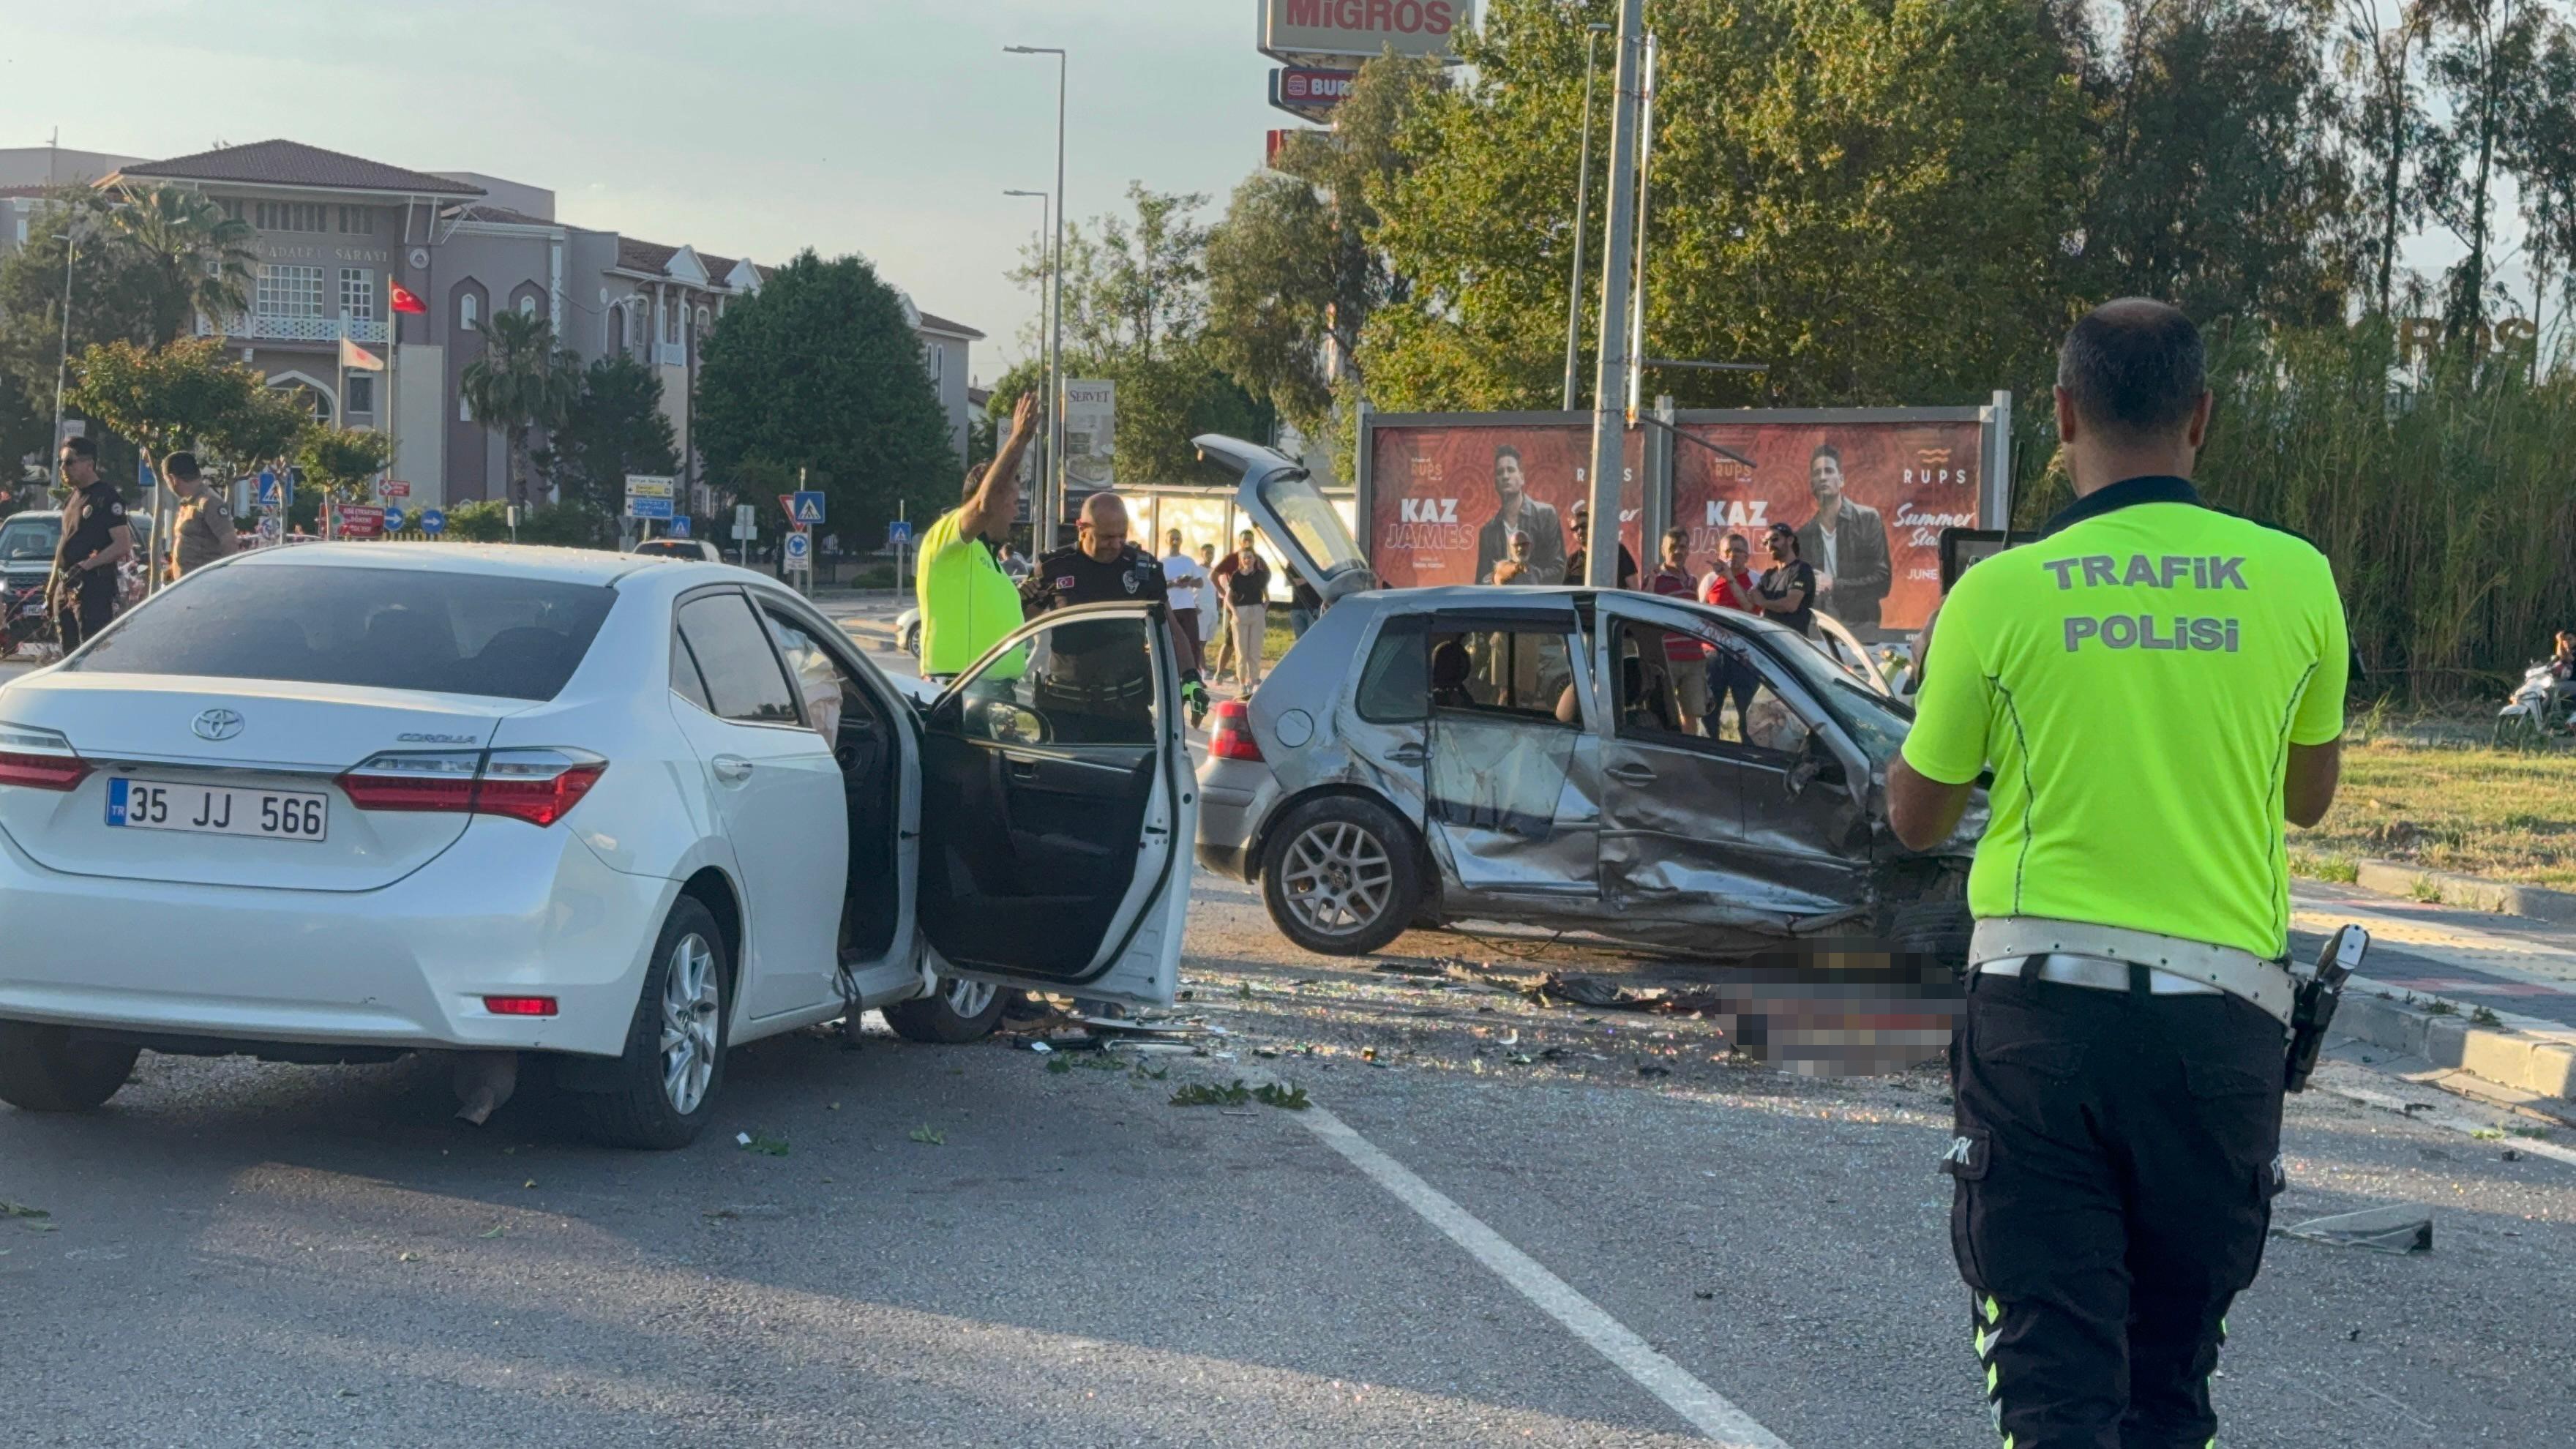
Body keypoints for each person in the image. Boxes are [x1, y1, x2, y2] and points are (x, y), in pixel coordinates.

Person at [1887, 299, 2350, 1449]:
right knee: (2168, 1393)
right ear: (2202, 418)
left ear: (2060, 415)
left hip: (2042, 1027)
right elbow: (2308, 797)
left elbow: (1912, 817)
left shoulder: (2000, 593)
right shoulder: (2297, 581)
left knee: (2054, 1394)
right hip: (2221, 1038)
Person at [1022, 492, 1208, 727]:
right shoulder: (1055, 566)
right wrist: (1023, 599)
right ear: (1082, 529)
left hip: (1127, 708)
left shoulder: (1143, 567)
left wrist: (1191, 679)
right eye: (1107, 537)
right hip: (1066, 709)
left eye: (1123, 536)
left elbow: (1170, 628)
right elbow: (1025, 621)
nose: (1117, 544)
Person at [916, 394, 1041, 680]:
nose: (1016, 512)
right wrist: (1018, 439)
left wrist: (1026, 602)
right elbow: (985, 504)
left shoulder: (989, 558)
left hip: (987, 692)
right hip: (957, 686)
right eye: (1013, 501)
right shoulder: (945, 537)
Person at [1794, 442, 1891, 630]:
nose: (1823, 477)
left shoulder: (1867, 519)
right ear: (1811, 484)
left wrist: (1834, 584)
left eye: (1829, 471)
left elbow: (1883, 581)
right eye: (1817, 473)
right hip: (1819, 628)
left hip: (1862, 626)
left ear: (1842, 479)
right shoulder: (1804, 535)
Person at [48, 436, 132, 653]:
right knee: (68, 653)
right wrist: (51, 588)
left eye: (69, 462)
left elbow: (122, 544)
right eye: (61, 463)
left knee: (90, 652)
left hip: (93, 588)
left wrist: (87, 565)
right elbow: (64, 544)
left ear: (89, 464)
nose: (63, 468)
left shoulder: (106, 498)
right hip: (66, 586)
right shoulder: (73, 499)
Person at [1472, 444, 1566, 585]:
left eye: (1510, 470)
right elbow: (1481, 581)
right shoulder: (1488, 531)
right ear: (1495, 483)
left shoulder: (1545, 515)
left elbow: (1559, 569)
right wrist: (1499, 576)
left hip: (1538, 601)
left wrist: (1524, 574)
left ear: (1522, 478)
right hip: (1502, 603)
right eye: (1500, 472)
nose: (1505, 476)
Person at [1645, 528, 1709, 733]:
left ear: (1688, 551)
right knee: (1663, 711)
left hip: (1693, 657)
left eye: (1682, 547)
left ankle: (1690, 754)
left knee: (1692, 712)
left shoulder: (1692, 581)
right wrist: (1652, 580)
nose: (1678, 551)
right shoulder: (1655, 579)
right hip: (1666, 657)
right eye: (1673, 547)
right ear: (1664, 550)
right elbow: (1644, 608)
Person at [1699, 531, 1762, 736]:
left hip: (1743, 655)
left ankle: (1750, 757)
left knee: (1748, 714)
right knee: (1709, 714)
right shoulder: (1709, 580)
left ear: (1747, 556)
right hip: (1714, 654)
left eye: (1738, 551)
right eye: (1727, 551)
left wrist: (1730, 578)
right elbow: (1701, 615)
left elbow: (1750, 609)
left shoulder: (1755, 579)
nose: (1732, 555)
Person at [1212, 531, 1273, 690]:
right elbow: (1214, 576)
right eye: (1245, 540)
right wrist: (1227, 599)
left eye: (1250, 540)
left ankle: (1253, 680)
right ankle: (1227, 675)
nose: (1247, 542)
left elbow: (1267, 589)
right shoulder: (1235, 570)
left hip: (1256, 610)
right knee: (1235, 645)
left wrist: (1263, 608)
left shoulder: (1260, 568)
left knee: (1255, 649)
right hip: (1239, 611)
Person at [162, 451, 238, 579]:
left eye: (166, 481)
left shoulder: (209, 502)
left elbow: (230, 542)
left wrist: (223, 577)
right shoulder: (191, 502)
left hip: (205, 585)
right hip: (188, 585)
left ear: (173, 479)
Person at [1752, 523, 1816, 637]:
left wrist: (1764, 602)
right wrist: (1730, 577)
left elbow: (1790, 605)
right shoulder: (1769, 574)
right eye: (1765, 542)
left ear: (1790, 540)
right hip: (1770, 641)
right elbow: (1750, 599)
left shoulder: (1801, 569)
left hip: (1792, 644)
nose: (1770, 545)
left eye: (1774, 539)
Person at [1161, 528, 1206, 677]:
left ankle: (1194, 675)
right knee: (1172, 643)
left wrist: (1188, 582)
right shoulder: (1162, 562)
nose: (1175, 542)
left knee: (1193, 642)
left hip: (1187, 606)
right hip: (1170, 608)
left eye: (1178, 539)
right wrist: (1173, 583)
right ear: (1167, 541)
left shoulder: (1188, 561)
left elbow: (1200, 583)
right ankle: (1174, 675)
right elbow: (1159, 586)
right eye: (1172, 539)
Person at [1565, 500, 1638, 589]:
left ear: (1594, 526)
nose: (1580, 531)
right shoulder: (1572, 561)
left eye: (1584, 526)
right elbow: (1565, 594)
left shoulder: (1617, 551)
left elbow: (1634, 588)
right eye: (1575, 528)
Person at [1289, 573, 1322, 639]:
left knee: (1312, 637)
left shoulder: (1314, 565)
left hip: (1314, 607)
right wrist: (1312, 578)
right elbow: (1291, 582)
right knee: (1300, 640)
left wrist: (1306, 580)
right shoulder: (1292, 567)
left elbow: (1321, 580)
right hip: (1296, 607)